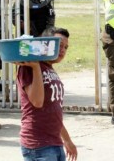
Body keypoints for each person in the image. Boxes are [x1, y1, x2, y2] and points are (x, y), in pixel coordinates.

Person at [17, 28, 77, 160]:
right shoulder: (28, 66)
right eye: (59, 45)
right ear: (46, 44)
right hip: (38, 145)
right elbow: (37, 102)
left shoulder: (49, 68)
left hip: (55, 143)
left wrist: (67, 140)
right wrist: (36, 67)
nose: (63, 50)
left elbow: (53, 112)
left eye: (66, 47)